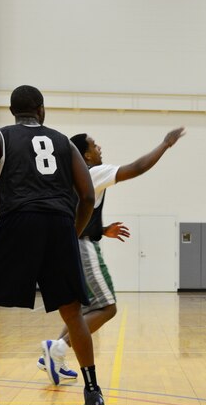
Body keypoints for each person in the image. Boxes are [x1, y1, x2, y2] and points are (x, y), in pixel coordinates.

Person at [0, 85, 107, 405]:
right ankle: (93, 393)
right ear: (40, 110)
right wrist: (72, 231)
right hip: (58, 223)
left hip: (19, 221)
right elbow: (86, 196)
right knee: (72, 312)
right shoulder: (63, 142)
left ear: (13, 111)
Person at [37, 127, 185, 382]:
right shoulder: (93, 172)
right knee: (107, 308)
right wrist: (165, 144)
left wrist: (101, 229)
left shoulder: (66, 177)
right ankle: (58, 348)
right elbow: (136, 168)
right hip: (82, 248)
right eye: (95, 145)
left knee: (80, 311)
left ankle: (55, 355)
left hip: (64, 246)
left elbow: (73, 214)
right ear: (86, 156)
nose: (99, 148)